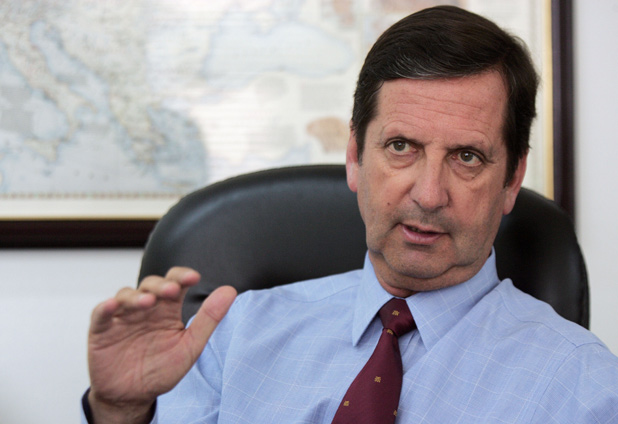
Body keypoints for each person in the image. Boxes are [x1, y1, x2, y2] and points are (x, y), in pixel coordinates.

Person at [83, 6, 618, 423]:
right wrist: (120, 413)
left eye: (467, 157)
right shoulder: (235, 335)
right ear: (355, 158)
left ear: (512, 180)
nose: (429, 194)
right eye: (402, 146)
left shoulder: (585, 387)